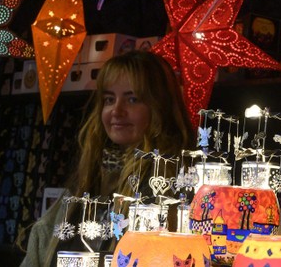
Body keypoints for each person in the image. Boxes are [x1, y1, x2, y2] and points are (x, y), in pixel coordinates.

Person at [20, 50, 192, 267]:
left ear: (159, 107)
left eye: (132, 99)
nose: (116, 111)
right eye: (109, 99)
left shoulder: (174, 188)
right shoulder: (88, 178)